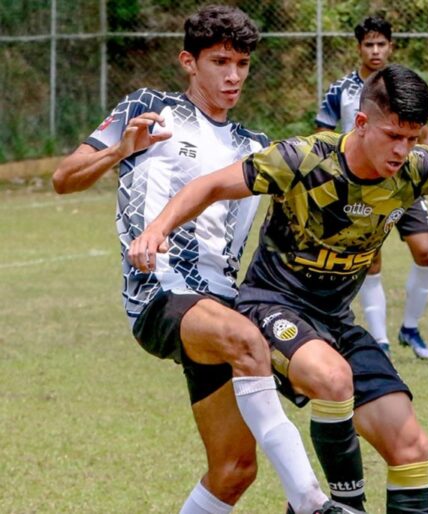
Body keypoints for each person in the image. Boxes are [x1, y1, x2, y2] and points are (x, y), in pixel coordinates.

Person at [128, 63, 428, 513]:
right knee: (333, 379)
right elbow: (211, 185)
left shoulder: (414, 169)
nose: (401, 152)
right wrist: (158, 228)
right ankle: (345, 508)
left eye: (411, 139)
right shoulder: (302, 159)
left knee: (411, 446)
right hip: (272, 305)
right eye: (392, 136)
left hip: (336, 321)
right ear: (361, 124)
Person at [51, 6, 357, 514]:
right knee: (246, 339)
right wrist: (119, 151)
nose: (233, 75)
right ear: (188, 62)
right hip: (160, 294)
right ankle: (311, 504)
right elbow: (66, 178)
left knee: (234, 470)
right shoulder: (147, 109)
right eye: (220, 62)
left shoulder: (255, 146)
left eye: (242, 63)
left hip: (224, 303)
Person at [316, 15, 428, 360]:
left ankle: (410, 328)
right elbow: (321, 136)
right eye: (369, 44)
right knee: (371, 261)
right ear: (359, 48)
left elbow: (422, 134)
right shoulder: (341, 90)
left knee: (427, 251)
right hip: (360, 188)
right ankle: (380, 340)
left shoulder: (401, 86)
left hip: (404, 182)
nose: (376, 50)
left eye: (381, 44)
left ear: (391, 46)